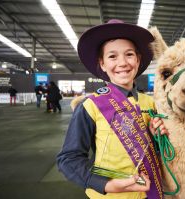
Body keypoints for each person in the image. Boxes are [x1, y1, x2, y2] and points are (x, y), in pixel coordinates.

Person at [57, 19, 168, 199]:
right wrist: (107, 184)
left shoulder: (152, 103)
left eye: (129, 54)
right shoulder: (90, 106)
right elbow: (68, 159)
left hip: (151, 192)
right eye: (112, 56)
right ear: (102, 64)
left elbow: (158, 152)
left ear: (138, 60)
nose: (123, 62)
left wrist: (156, 139)